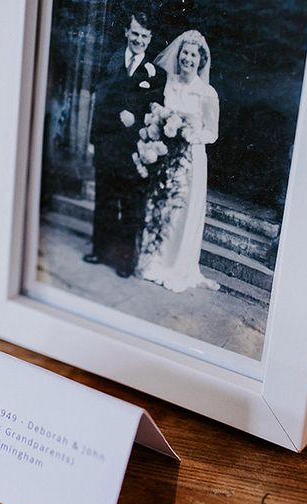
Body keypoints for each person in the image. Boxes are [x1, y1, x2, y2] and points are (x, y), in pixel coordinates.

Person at [138, 30, 221, 293]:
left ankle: (177, 265)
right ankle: (155, 260)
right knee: (161, 205)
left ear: (201, 60)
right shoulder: (169, 83)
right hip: (166, 154)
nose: (187, 58)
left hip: (191, 157)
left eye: (193, 54)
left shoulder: (207, 92)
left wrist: (190, 134)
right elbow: (160, 113)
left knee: (183, 209)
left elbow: (212, 132)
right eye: (184, 52)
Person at [85, 12, 166, 278]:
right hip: (108, 142)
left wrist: (137, 117)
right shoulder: (110, 62)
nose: (139, 40)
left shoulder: (156, 74)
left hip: (135, 149)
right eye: (135, 34)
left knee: (131, 204)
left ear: (150, 38)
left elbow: (157, 111)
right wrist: (93, 141)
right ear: (126, 33)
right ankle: (100, 250)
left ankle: (125, 260)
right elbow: (100, 103)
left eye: (144, 36)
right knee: (105, 199)